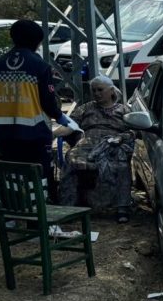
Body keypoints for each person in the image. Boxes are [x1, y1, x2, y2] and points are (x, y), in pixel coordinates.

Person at [0, 19, 64, 198]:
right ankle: (39, 220)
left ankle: (13, 213)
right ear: (38, 41)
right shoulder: (40, 66)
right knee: (38, 176)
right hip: (34, 132)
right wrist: (60, 116)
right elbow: (47, 100)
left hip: (3, 133)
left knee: (12, 175)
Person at [57, 75, 135, 223]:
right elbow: (70, 125)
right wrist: (53, 134)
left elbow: (134, 131)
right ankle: (68, 207)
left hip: (112, 143)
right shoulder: (87, 108)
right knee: (71, 159)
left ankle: (122, 207)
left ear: (111, 91)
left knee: (120, 163)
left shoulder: (124, 109)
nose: (97, 93)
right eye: (94, 91)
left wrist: (121, 138)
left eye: (100, 90)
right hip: (88, 142)